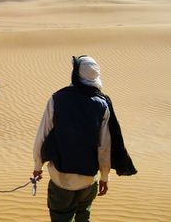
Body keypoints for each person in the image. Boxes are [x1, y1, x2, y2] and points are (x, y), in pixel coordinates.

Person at [33, 55, 111, 222]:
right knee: (83, 218)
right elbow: (104, 147)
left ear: (76, 74)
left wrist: (37, 166)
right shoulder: (102, 105)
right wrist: (104, 177)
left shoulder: (57, 99)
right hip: (89, 180)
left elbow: (43, 134)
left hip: (61, 180)